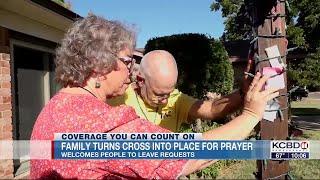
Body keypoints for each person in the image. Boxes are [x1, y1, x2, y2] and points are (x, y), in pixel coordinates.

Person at [30, 14, 279, 179]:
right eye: (127, 61)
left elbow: (212, 108)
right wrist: (251, 114)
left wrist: (243, 93)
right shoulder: (101, 122)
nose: (131, 69)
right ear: (99, 65)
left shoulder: (53, 108)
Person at [108, 50, 253, 132]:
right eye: (159, 94)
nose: (165, 100)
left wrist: (243, 92)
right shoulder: (116, 99)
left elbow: (212, 109)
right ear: (141, 81)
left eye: (168, 93)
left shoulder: (175, 99)